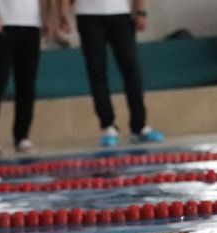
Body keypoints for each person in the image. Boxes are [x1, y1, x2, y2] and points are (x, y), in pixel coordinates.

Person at [56, 0, 164, 147]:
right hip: (88, 14)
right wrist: (61, 14)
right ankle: (108, 126)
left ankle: (139, 125)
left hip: (120, 12)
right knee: (96, 70)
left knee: (131, 68)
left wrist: (140, 12)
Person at [0, 0, 53, 158]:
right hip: (2, 25)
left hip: (31, 26)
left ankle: (22, 136)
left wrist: (45, 19)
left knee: (27, 84)